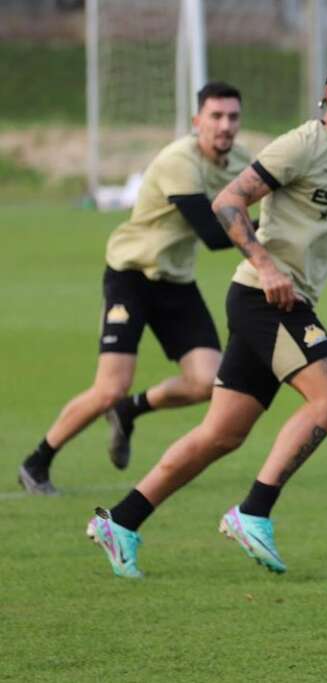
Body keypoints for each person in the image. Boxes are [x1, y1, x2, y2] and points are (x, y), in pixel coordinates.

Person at [87, 51, 327, 578]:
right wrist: (266, 264)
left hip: (283, 300)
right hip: (266, 298)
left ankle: (120, 521)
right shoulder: (302, 144)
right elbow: (228, 203)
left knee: (221, 434)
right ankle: (253, 510)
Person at [17, 82, 248, 495]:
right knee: (109, 387)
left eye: (232, 116)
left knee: (206, 381)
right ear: (197, 121)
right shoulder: (180, 160)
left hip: (176, 281)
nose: (224, 125)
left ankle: (131, 410)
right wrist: (267, 233)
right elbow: (214, 235)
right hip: (132, 275)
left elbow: (276, 189)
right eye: (215, 116)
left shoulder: (239, 163)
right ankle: (38, 461)